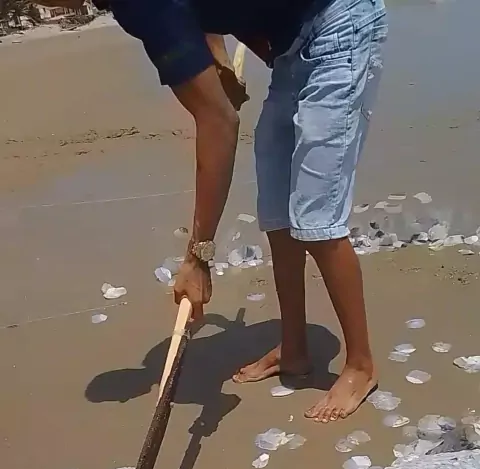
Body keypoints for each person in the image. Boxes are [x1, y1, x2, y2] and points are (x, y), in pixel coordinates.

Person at [37, 0, 387, 421]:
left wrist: (198, 256)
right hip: (291, 46)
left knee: (316, 216)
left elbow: (219, 121)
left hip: (339, 25)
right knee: (278, 213)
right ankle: (294, 349)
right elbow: (200, 13)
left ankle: (361, 366)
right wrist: (219, 61)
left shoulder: (139, 6)